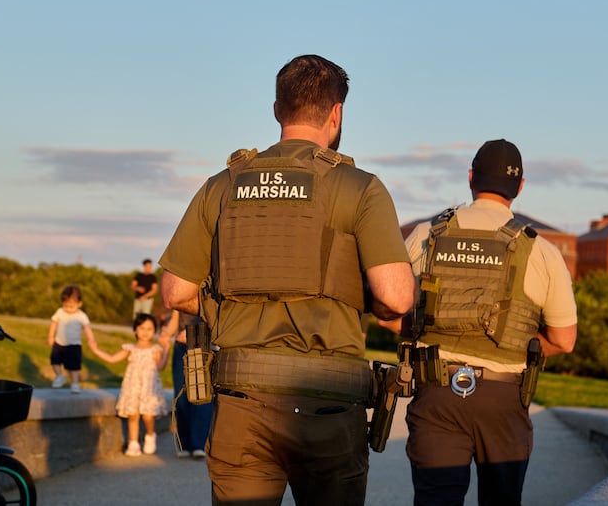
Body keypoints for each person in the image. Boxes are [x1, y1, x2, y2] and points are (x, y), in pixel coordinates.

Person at [160, 54, 414, 505]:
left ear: (277, 110)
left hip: (243, 403)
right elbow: (395, 298)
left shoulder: (223, 184)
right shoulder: (360, 187)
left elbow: (176, 292)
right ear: (336, 113)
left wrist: (229, 305)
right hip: (329, 408)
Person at [401, 139, 578, 506]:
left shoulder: (426, 235)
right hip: (503, 400)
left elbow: (389, 309)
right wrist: (520, 343)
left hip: (436, 392)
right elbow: (564, 340)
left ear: (470, 178)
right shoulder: (542, 251)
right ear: (520, 187)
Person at [91, 313, 170, 456]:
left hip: (149, 387)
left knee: (147, 415)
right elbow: (112, 359)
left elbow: (160, 367)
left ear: (154, 331)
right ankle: (133, 443)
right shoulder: (130, 348)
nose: (145, 332)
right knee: (132, 415)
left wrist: (166, 350)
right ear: (135, 330)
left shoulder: (155, 349)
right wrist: (96, 350)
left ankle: (150, 436)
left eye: (149, 329)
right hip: (133, 387)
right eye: (142, 328)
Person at [159, 309, 212, 459]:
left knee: (200, 397)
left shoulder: (210, 289)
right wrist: (166, 334)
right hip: (181, 347)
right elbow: (176, 319)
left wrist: (194, 333)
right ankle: (183, 443)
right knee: (181, 397)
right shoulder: (181, 290)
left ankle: (198, 445)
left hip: (201, 344)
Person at [47, 284, 98, 394]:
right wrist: (51, 336)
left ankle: (75, 383)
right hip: (59, 343)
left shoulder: (81, 316)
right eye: (66, 306)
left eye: (71, 306)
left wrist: (91, 339)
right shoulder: (60, 312)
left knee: (74, 367)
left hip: (74, 345)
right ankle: (60, 376)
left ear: (79, 304)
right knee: (54, 361)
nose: (68, 309)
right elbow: (54, 323)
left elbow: (87, 328)